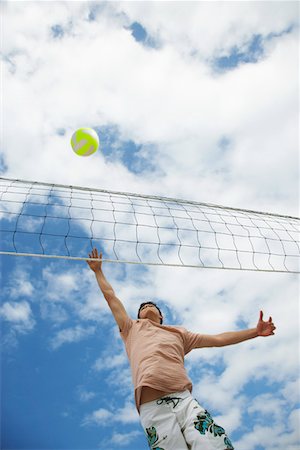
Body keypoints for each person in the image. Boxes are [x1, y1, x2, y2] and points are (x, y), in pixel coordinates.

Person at [87, 248, 276, 450]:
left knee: (216, 445)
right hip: (151, 407)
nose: (147, 306)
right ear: (139, 316)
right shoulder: (131, 328)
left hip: (184, 400)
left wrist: (254, 332)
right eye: (142, 307)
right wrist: (98, 271)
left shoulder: (179, 334)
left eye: (152, 305)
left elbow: (218, 339)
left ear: (161, 316)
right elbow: (111, 298)